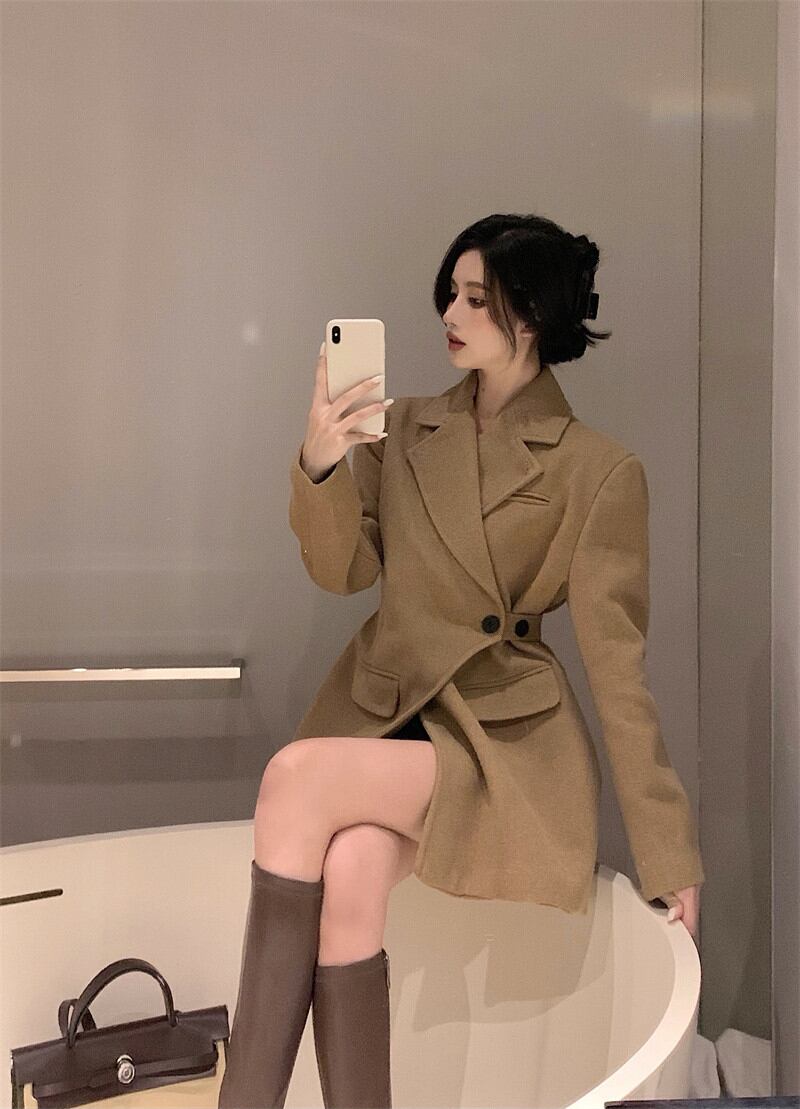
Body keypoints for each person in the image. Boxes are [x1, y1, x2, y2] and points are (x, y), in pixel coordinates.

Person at [218, 213, 704, 1109]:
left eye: (478, 298)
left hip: (505, 743)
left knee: (292, 779)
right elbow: (344, 570)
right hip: (397, 710)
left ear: (533, 316)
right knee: (352, 872)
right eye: (452, 292)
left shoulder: (598, 470)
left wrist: (666, 846)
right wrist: (321, 463)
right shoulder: (404, 427)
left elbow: (618, 671)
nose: (451, 312)